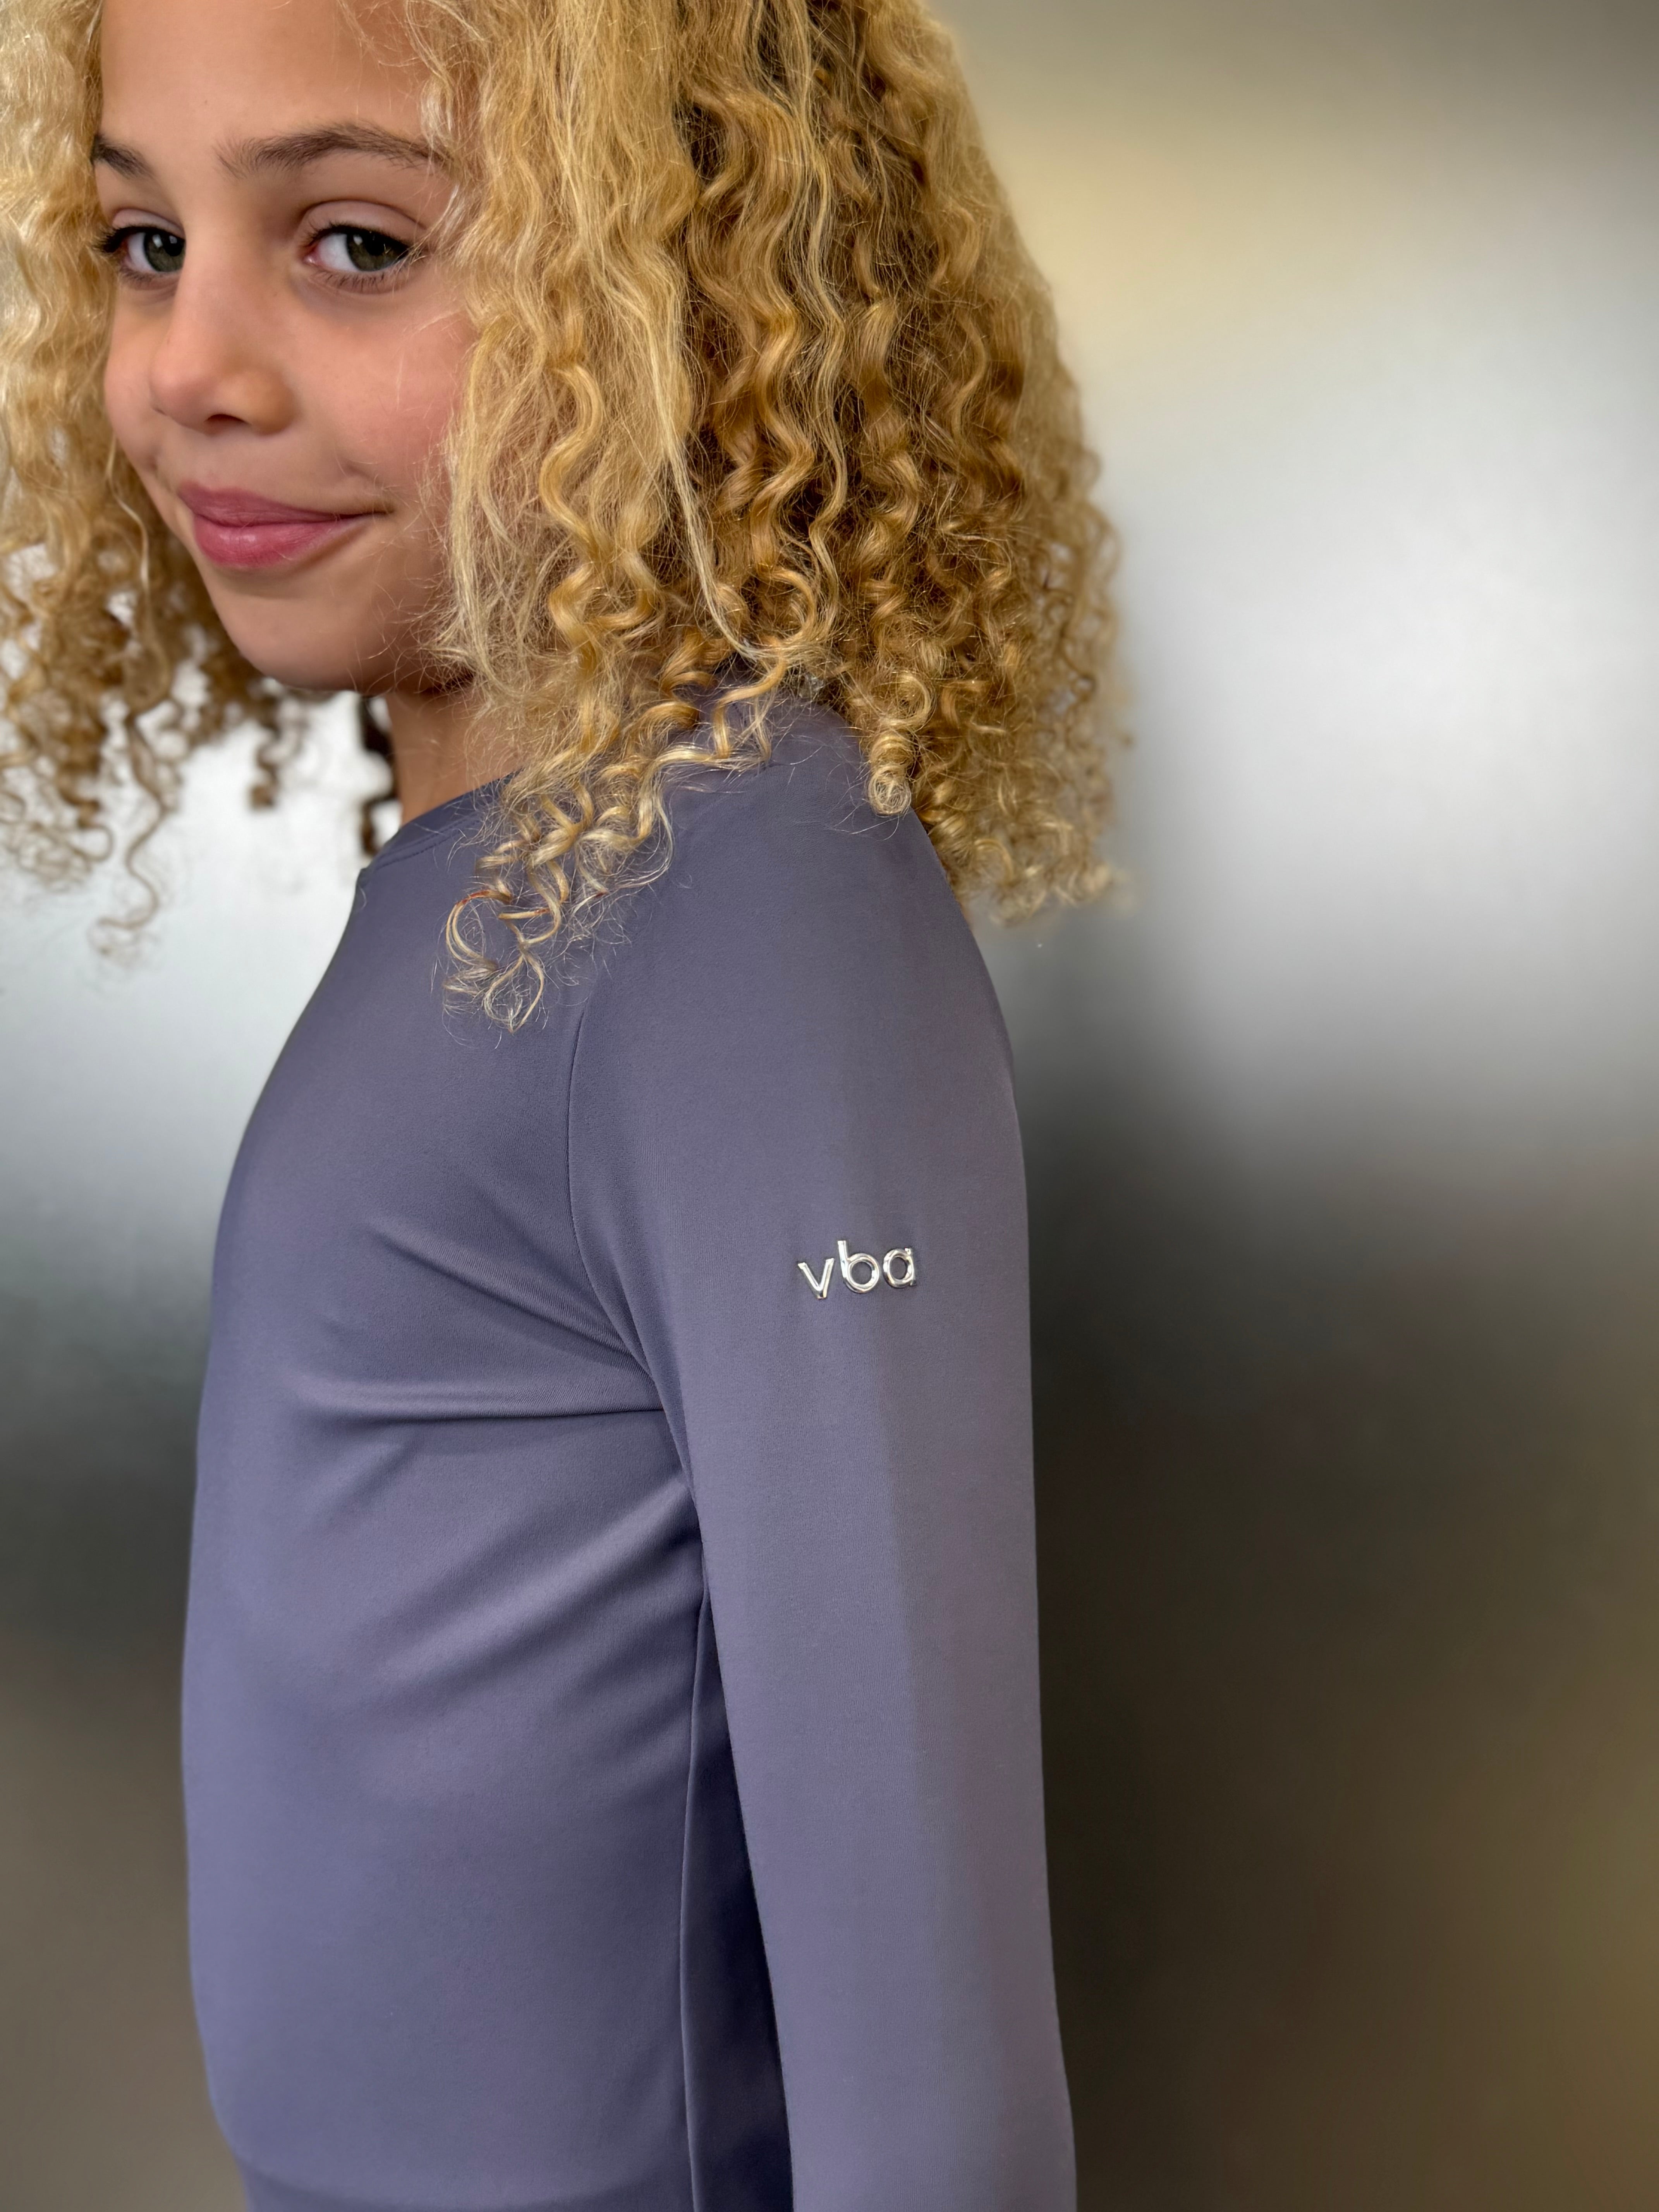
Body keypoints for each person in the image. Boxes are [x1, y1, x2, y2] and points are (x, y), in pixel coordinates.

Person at [0, 0, 1114, 2205]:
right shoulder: (518, 883)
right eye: (143, 244)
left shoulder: (754, 914)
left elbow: (939, 2085)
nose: (186, 365)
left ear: (676, 283)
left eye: (354, 243)